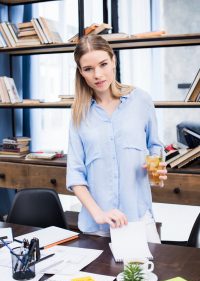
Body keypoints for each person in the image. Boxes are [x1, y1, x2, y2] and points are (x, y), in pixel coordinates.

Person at [67, 35, 167, 242]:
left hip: (138, 219)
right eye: (88, 69)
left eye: (103, 64)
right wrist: (99, 214)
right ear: (81, 72)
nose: (98, 74)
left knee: (151, 275)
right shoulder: (79, 112)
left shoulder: (141, 100)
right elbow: (75, 174)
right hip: (97, 226)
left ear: (113, 60)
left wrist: (156, 170)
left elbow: (154, 146)